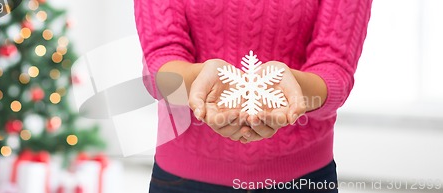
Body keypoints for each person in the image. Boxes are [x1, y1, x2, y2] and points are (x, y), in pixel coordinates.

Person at [135, 0, 372, 192]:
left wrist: (293, 89)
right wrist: (198, 81)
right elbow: (160, 64)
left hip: (304, 178)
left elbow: (335, 69)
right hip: (182, 178)